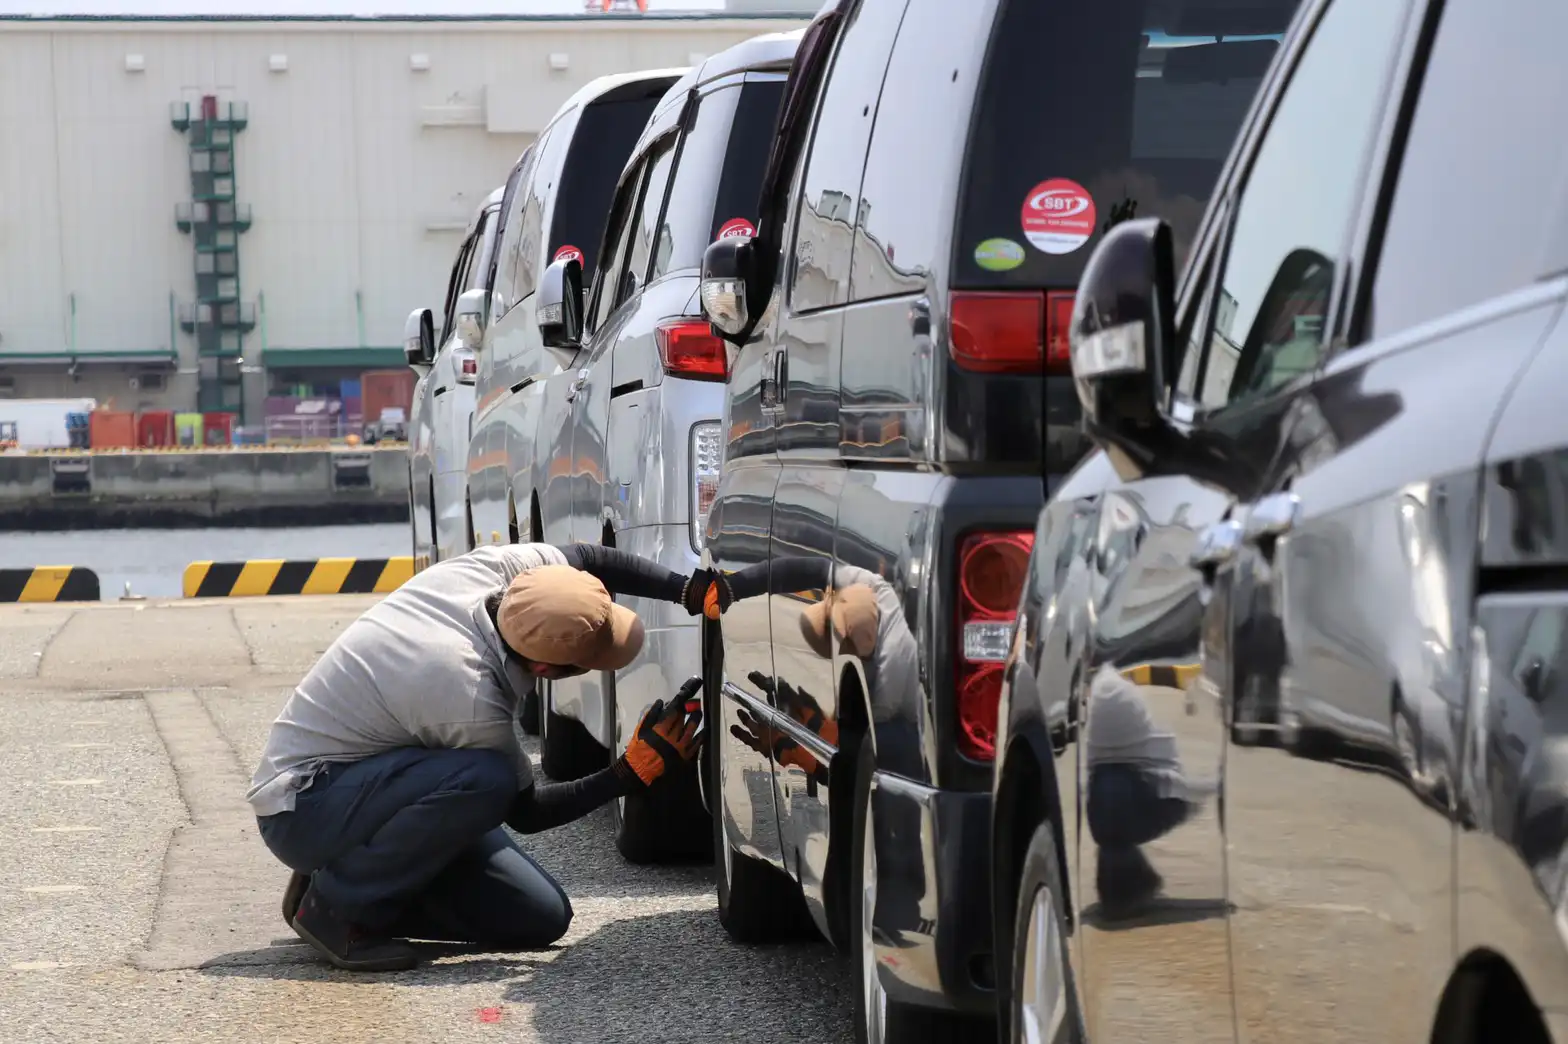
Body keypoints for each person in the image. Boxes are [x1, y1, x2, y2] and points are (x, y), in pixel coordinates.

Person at [248, 542, 718, 972]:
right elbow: (525, 811)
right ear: (542, 669)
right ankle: (336, 908)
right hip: (306, 807)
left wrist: (689, 589)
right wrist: (628, 773)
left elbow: (589, 558)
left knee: (539, 917)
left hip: (380, 785)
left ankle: (342, 880)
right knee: (488, 780)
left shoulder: (506, 575)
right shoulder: (467, 690)